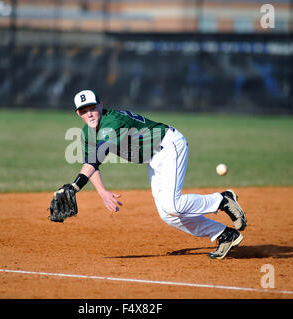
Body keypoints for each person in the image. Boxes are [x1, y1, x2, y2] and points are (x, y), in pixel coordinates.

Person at [64, 89, 247, 260]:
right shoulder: (87, 133)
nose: (89, 114)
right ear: (78, 114)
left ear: (101, 105)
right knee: (167, 214)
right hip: (153, 158)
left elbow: (97, 157)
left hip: (169, 146)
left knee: (172, 205)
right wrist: (102, 191)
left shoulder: (111, 122)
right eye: (83, 111)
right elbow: (91, 163)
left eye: (93, 108)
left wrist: (75, 186)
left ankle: (223, 200)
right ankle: (225, 234)